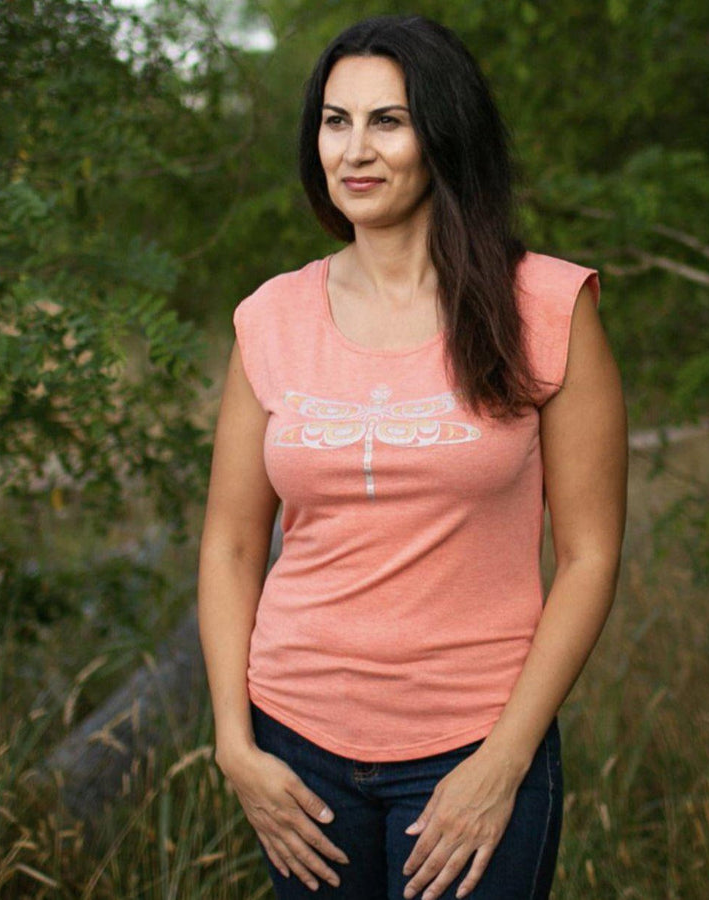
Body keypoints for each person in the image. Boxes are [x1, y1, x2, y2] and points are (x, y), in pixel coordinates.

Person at [198, 14, 627, 900]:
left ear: (444, 132)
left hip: (474, 747)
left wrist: (504, 762)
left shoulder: (546, 304)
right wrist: (234, 744)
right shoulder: (270, 318)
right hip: (295, 749)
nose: (355, 149)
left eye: (388, 120)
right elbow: (233, 545)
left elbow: (589, 556)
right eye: (335, 119)